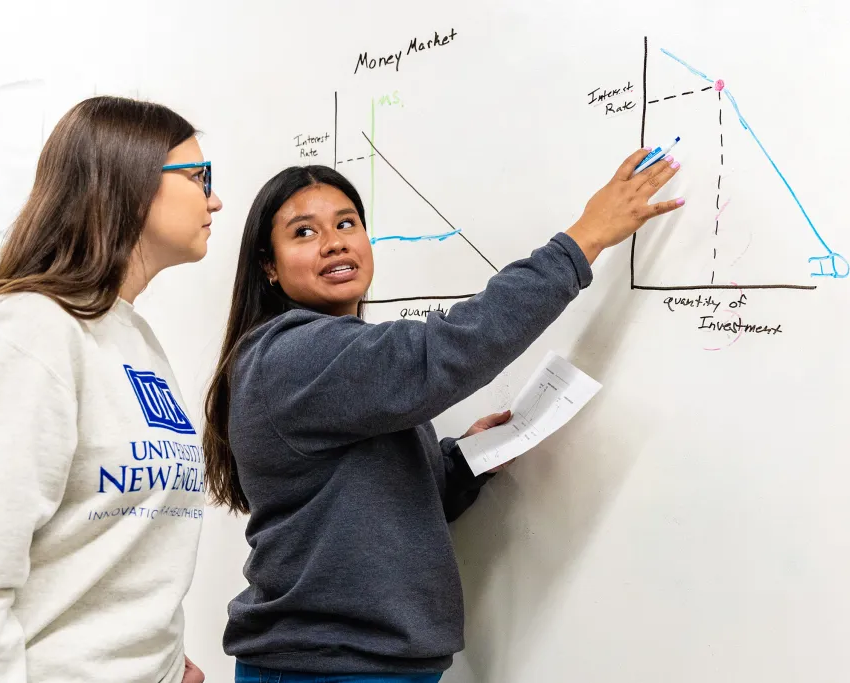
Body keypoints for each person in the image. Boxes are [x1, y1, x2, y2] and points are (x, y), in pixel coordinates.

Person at [203, 150, 683, 682]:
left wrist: (464, 458)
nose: (335, 241)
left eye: (346, 223)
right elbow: (446, 351)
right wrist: (584, 239)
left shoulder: (333, 360)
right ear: (268, 265)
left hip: (368, 664)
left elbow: (373, 503)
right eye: (304, 232)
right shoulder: (293, 355)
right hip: (325, 669)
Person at [0, 96, 222, 683]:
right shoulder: (26, 332)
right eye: (199, 176)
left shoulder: (134, 337)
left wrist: (165, 662)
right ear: (130, 182)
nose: (215, 197)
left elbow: (118, 552)